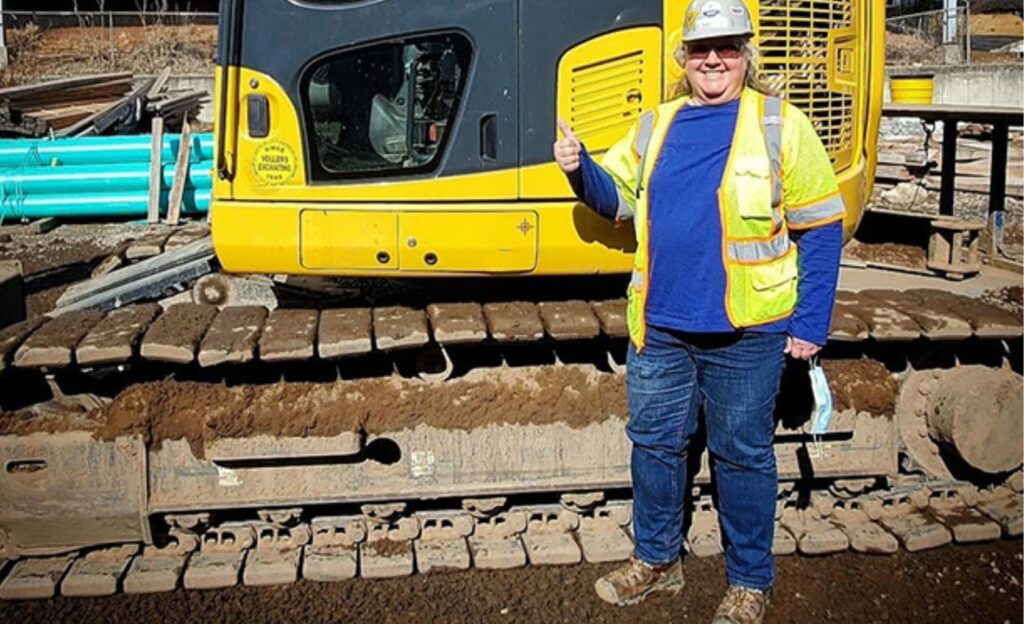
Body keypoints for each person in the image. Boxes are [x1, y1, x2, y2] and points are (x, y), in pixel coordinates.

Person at [552, 0, 845, 622]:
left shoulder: (781, 125)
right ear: (684, 59)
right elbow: (618, 200)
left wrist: (809, 324)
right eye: (701, 50)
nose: (714, 59)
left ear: (746, 56)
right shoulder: (655, 125)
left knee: (742, 455)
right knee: (655, 447)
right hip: (660, 326)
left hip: (748, 330)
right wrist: (580, 172)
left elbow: (821, 226)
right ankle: (658, 562)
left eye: (728, 48)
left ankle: (749, 582)